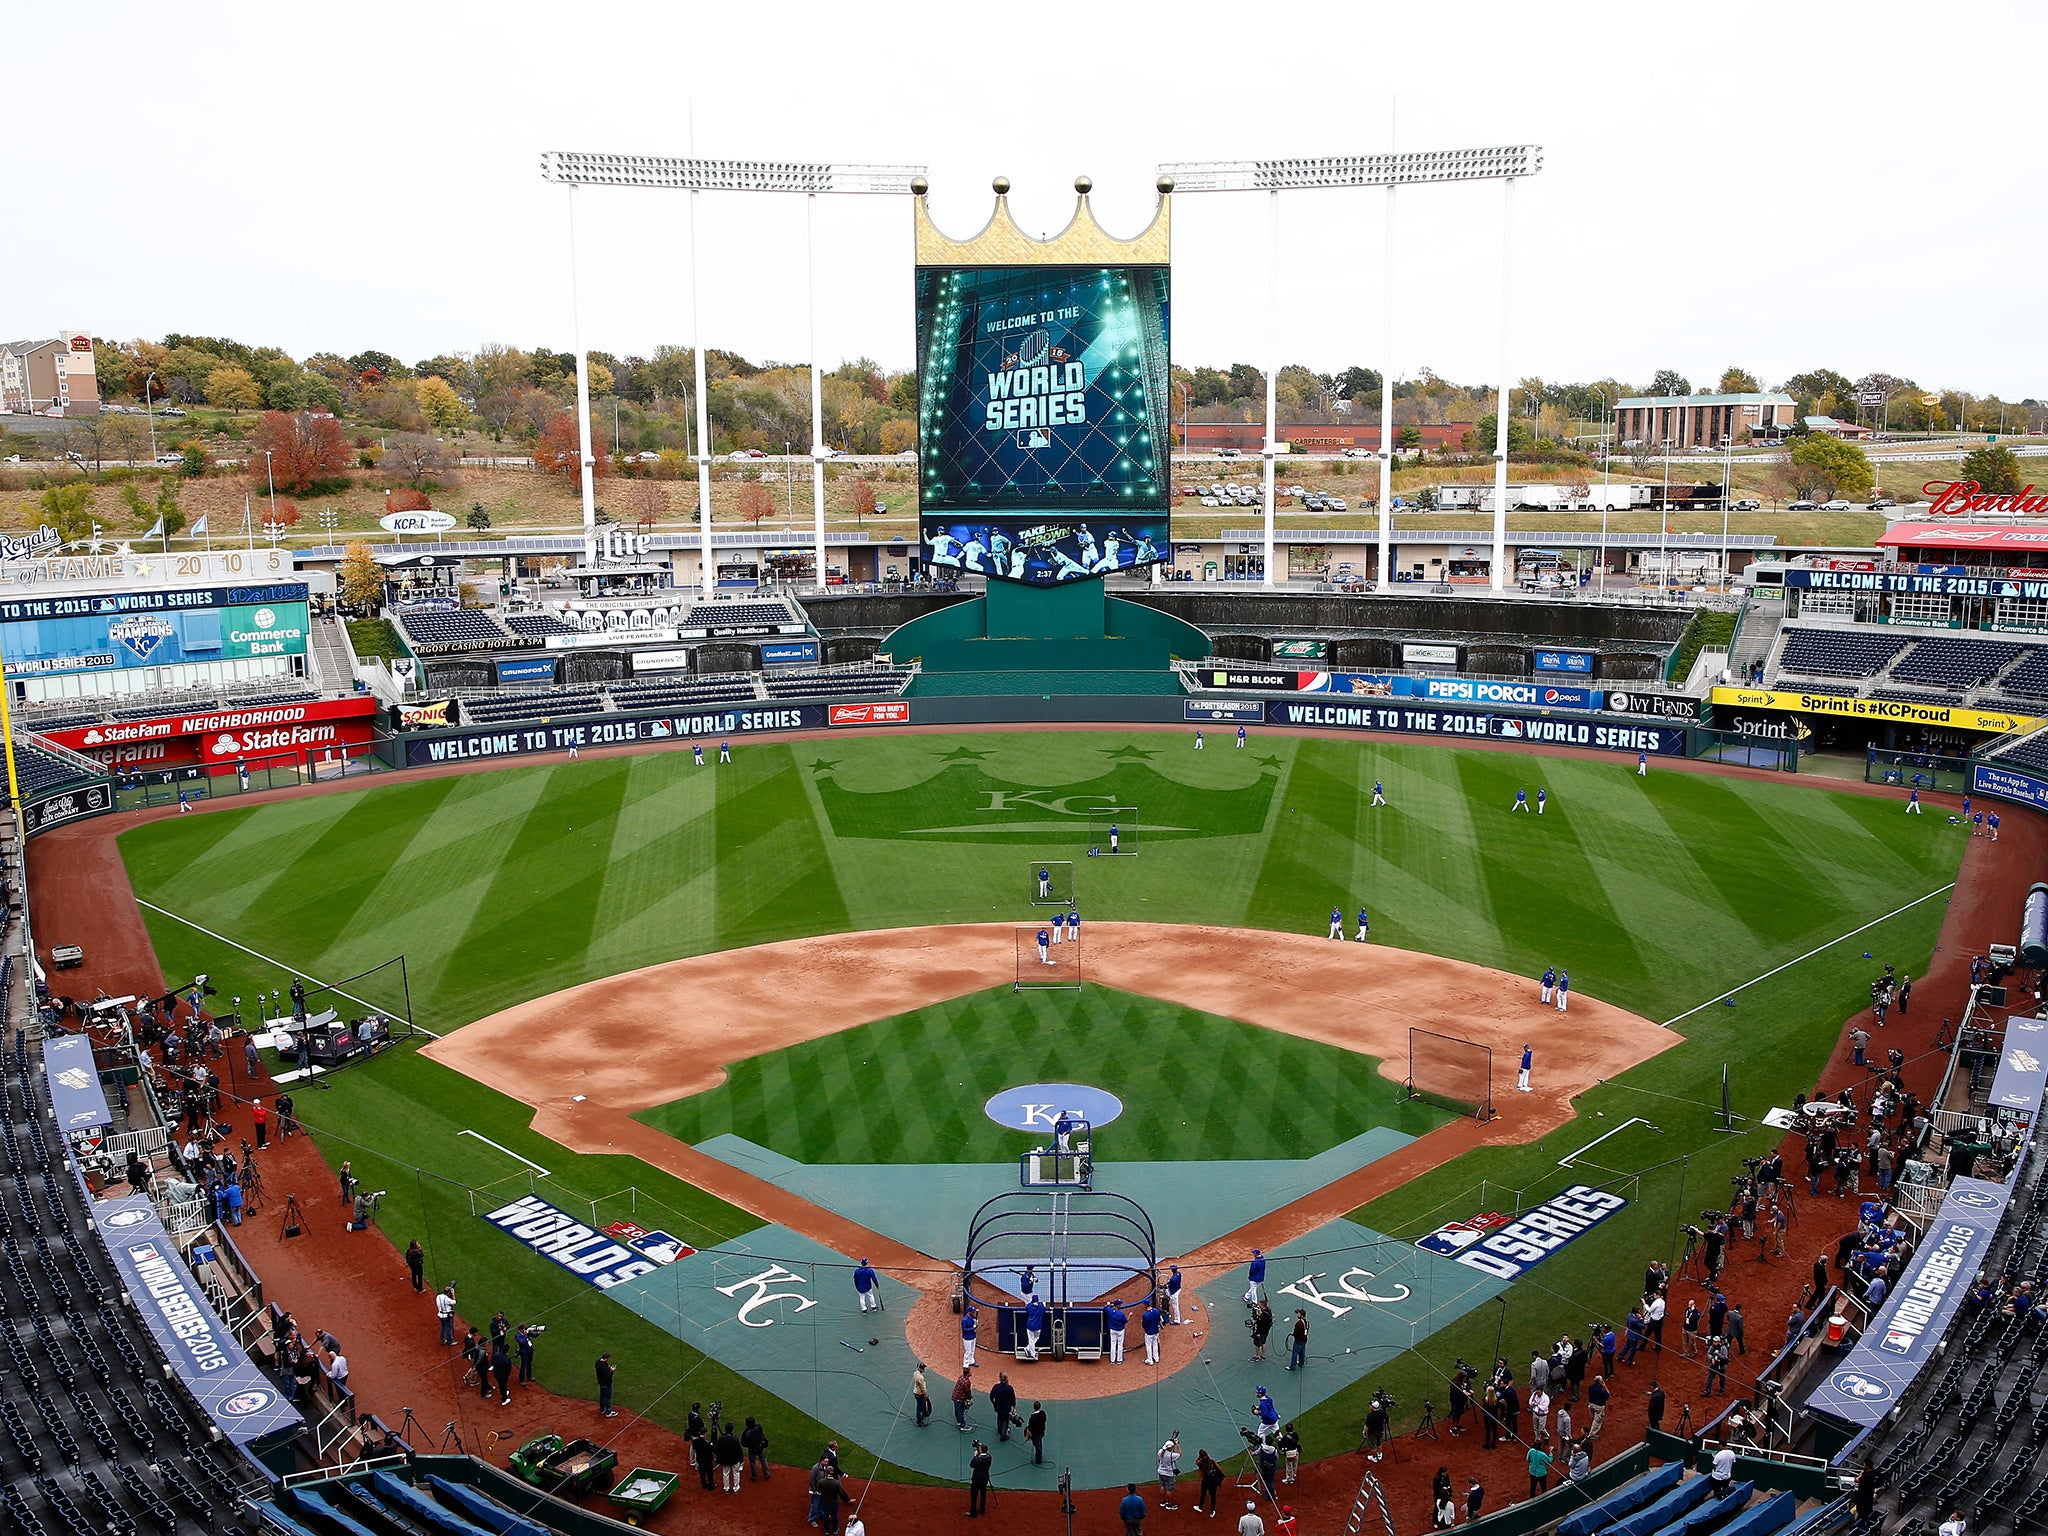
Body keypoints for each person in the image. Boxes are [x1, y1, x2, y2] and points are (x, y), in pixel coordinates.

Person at [714, 1421, 743, 1493]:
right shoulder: (735, 1439)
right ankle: (736, 1488)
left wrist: (719, 1457)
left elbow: (716, 1449)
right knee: (736, 1473)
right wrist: (741, 1460)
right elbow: (739, 1450)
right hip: (734, 1460)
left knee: (725, 1474)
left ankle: (726, 1488)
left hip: (725, 1460)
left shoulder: (721, 1438)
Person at [967, 1441, 992, 1518]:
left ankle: (973, 1512)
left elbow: (971, 1465)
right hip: (984, 1479)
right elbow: (984, 1455)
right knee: (983, 1494)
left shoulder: (977, 1459)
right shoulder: (989, 1457)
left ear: (980, 1451)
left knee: (974, 1495)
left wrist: (975, 1456)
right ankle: (982, 1509)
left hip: (976, 1479)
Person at [989, 1372, 1016, 1440]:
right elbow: (1012, 1399)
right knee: (1005, 1420)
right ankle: (1003, 1435)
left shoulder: (996, 1387)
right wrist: (1014, 1407)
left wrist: (994, 1403)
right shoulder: (1009, 1388)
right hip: (1006, 1408)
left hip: (998, 1407)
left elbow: (991, 1396)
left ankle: (999, 1430)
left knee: (999, 1417)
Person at [741, 1415, 769, 1481]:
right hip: (760, 1446)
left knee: (752, 1462)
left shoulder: (746, 1432)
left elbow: (743, 1443)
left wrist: (749, 1445)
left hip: (752, 1449)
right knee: (763, 1460)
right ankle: (767, 1473)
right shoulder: (758, 1427)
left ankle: (754, 1476)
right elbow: (762, 1434)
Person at [1157, 1434, 1181, 1508]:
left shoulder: (1160, 1452)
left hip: (1160, 1472)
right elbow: (1180, 1454)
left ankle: (1163, 1501)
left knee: (1162, 1486)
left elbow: (1159, 1460)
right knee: (1169, 1489)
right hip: (1168, 1474)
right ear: (1171, 1448)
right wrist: (1177, 1445)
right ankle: (1169, 1504)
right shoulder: (1172, 1455)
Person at [1107, 1298, 1128, 1363]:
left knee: (1113, 1344)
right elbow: (1125, 1321)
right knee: (1120, 1345)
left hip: (1112, 1330)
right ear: (1118, 1305)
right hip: (1120, 1331)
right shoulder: (1121, 1313)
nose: (1121, 1305)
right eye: (1120, 1304)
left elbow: (1105, 1307)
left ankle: (1112, 1360)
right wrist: (1129, 1316)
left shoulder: (1109, 1311)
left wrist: (1110, 1305)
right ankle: (1119, 1360)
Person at [1144, 1297, 1165, 1364]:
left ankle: (1150, 1360)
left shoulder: (1145, 1315)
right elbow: (1159, 1320)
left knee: (1148, 1345)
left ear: (1145, 1305)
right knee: (1155, 1344)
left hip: (1149, 1332)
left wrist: (1146, 1330)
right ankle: (1156, 1358)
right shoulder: (1156, 1311)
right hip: (1156, 1331)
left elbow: (1144, 1325)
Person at [595, 1352, 616, 1417]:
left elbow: (603, 1372)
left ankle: (602, 1409)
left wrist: (608, 1369)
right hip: (606, 1384)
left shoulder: (598, 1362)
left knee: (602, 1396)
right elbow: (608, 1376)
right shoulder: (603, 1366)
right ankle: (608, 1412)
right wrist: (612, 1370)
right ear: (606, 1358)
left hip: (601, 1383)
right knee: (607, 1398)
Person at [912, 1363, 932, 1427]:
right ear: (920, 1368)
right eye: (923, 1368)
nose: (924, 1369)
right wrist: (926, 1394)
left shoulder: (915, 1373)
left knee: (921, 1405)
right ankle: (919, 1421)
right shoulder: (920, 1378)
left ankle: (922, 1415)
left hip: (916, 1392)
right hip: (919, 1394)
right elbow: (923, 1388)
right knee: (919, 1407)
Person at [961, 1301, 978, 1368]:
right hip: (967, 1338)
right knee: (968, 1351)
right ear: (969, 1312)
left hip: (973, 1336)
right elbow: (964, 1329)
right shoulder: (964, 1320)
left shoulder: (973, 1317)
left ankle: (971, 1361)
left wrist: (976, 1323)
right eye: (972, 1312)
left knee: (973, 1350)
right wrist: (973, 1328)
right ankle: (965, 1364)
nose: (973, 1312)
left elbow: (975, 1322)